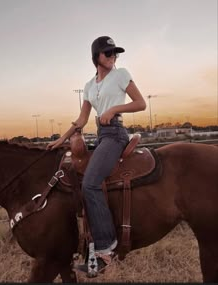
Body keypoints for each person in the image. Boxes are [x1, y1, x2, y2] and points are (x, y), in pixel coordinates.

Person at [47, 36, 146, 275]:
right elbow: (82, 119)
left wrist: (114, 109)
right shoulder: (89, 86)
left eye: (115, 53)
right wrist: (62, 139)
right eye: (108, 53)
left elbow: (141, 103)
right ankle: (82, 240)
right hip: (102, 136)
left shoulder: (121, 74)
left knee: (90, 184)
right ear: (96, 57)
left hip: (115, 135)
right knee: (76, 174)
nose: (113, 57)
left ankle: (106, 248)